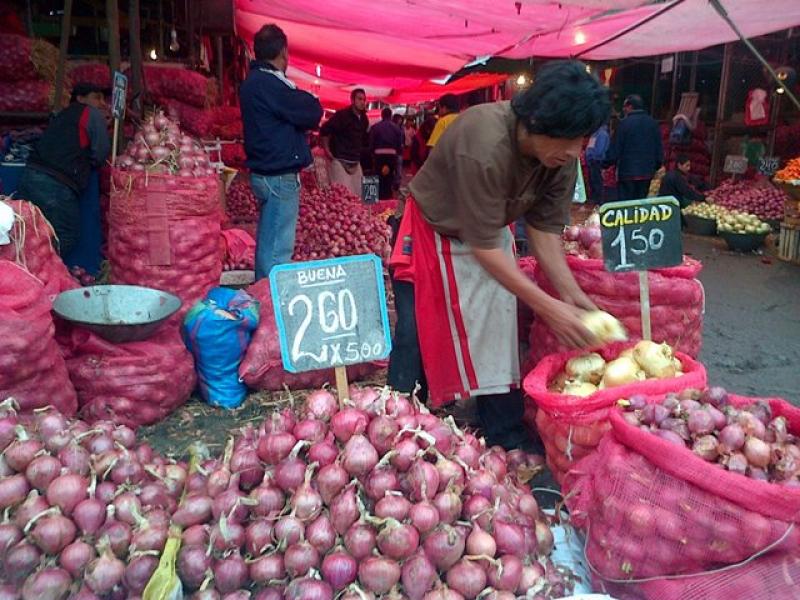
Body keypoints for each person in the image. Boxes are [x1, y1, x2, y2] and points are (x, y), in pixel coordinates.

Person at [388, 60, 611, 449]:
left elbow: (543, 231)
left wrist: (571, 295)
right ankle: (395, 426)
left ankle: (503, 433)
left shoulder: (560, 159)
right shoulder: (484, 142)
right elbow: (485, 248)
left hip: (488, 235)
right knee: (414, 334)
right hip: (433, 232)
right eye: (571, 138)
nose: (577, 151)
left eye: (584, 140)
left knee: (498, 332)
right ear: (541, 120)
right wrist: (547, 306)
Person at [240, 24, 323, 280]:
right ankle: (270, 305)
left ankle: (261, 293)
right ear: (284, 52)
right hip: (279, 177)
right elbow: (310, 111)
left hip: (264, 175)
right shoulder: (270, 84)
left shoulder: (252, 83)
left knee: (268, 239)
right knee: (277, 251)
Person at [17, 82, 110, 257]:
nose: (102, 103)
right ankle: (46, 272)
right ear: (81, 98)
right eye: (96, 97)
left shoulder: (61, 114)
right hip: (57, 183)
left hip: (31, 174)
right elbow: (101, 151)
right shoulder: (90, 113)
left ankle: (25, 272)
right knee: (66, 235)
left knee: (29, 233)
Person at [606, 94, 663, 201]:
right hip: (646, 173)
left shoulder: (624, 124)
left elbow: (615, 149)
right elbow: (659, 149)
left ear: (630, 107)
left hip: (627, 173)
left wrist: (606, 163)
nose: (623, 110)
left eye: (624, 107)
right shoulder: (653, 124)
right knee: (640, 203)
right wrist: (656, 166)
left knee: (626, 205)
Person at [320, 89, 369, 196]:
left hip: (355, 162)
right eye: (359, 99)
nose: (362, 102)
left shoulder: (364, 119)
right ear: (352, 100)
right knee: (342, 196)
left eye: (364, 100)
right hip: (340, 161)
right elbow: (324, 130)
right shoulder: (342, 115)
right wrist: (327, 150)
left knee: (360, 196)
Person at [369, 108, 403, 199]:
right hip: (391, 156)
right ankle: (387, 199)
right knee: (388, 178)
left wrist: (372, 153)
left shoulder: (375, 127)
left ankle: (374, 199)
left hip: (378, 155)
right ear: (391, 116)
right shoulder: (396, 128)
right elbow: (399, 145)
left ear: (382, 115)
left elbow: (371, 143)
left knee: (377, 176)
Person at [585, 122, 610, 204]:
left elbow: (599, 150)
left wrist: (592, 157)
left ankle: (598, 200)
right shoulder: (595, 134)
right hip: (591, 160)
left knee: (597, 182)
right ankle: (594, 199)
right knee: (592, 181)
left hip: (596, 161)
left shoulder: (602, 134)